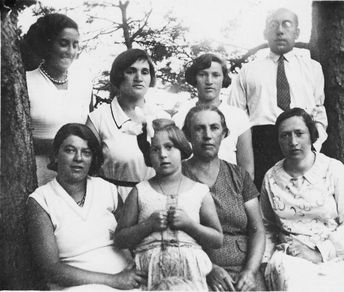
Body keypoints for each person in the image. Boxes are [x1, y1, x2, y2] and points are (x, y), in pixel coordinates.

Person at [260, 108, 344, 291]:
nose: (293, 142)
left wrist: (319, 253)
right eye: (285, 135)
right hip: (292, 257)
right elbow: (266, 226)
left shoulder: (333, 170)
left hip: (338, 252)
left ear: (311, 136)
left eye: (299, 133)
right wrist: (265, 262)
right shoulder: (271, 178)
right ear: (278, 140)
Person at [26, 123, 145, 290]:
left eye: (86, 152)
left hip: (128, 280)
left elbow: (130, 236)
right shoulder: (41, 200)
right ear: (55, 155)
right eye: (70, 150)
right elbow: (51, 270)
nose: (79, 158)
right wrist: (113, 281)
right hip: (79, 287)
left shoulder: (107, 189)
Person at [115, 121, 223, 290]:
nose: (163, 155)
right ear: (148, 156)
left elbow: (217, 239)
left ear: (182, 150)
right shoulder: (140, 191)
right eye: (155, 150)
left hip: (190, 269)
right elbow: (120, 239)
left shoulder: (199, 192)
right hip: (151, 270)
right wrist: (147, 225)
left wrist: (190, 225)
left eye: (169, 147)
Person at [228, 8, 328, 190]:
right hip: (260, 145)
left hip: (301, 143)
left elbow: (319, 113)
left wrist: (314, 147)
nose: (280, 30)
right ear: (265, 33)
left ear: (297, 32)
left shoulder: (312, 68)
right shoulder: (249, 71)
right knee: (265, 204)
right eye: (273, 25)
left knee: (302, 200)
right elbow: (235, 117)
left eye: (286, 24)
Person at [181, 105, 266, 291]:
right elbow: (174, 236)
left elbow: (257, 230)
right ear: (187, 135)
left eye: (214, 128)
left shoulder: (239, 175)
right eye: (199, 128)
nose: (207, 135)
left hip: (243, 268)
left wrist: (251, 271)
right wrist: (208, 268)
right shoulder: (178, 176)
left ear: (224, 133)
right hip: (197, 268)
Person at [86, 49, 170, 201]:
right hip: (111, 201)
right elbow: (88, 171)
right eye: (131, 71)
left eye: (145, 72)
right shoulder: (98, 118)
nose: (139, 78)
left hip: (156, 200)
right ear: (119, 76)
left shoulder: (163, 117)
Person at [24, 13, 93, 186]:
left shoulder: (84, 82)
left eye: (75, 45)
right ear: (47, 44)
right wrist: (60, 146)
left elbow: (87, 131)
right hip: (37, 174)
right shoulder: (25, 82)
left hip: (75, 177)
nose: (70, 51)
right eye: (63, 43)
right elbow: (13, 139)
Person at [173, 53, 254, 179]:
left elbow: (247, 169)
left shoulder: (238, 116)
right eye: (202, 75)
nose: (209, 81)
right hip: (189, 189)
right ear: (195, 78)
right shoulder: (180, 117)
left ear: (223, 79)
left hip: (229, 189)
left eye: (215, 75)